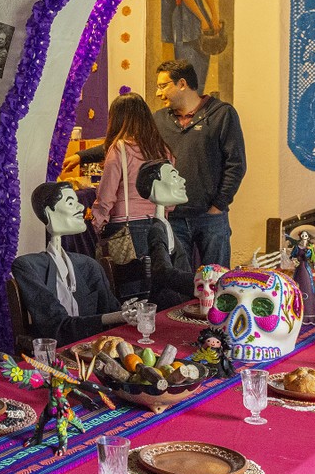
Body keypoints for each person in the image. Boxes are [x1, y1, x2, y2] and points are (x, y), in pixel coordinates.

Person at [153, 59, 245, 267]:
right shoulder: (159, 119)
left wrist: (218, 205)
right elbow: (130, 143)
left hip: (211, 216)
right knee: (179, 283)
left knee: (217, 281)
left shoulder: (222, 114)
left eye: (162, 86)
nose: (158, 93)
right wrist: (81, 156)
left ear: (182, 84)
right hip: (173, 217)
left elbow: (236, 164)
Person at [12, 181, 123, 345]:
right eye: (71, 203)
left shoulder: (89, 265)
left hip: (97, 350)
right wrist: (119, 316)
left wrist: (128, 312)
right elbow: (57, 326)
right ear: (49, 212)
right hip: (57, 357)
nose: (81, 207)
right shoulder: (27, 266)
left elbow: (114, 312)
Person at [89, 92, 172, 300]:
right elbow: (170, 196)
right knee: (156, 289)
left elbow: (106, 195)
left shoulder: (120, 149)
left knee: (131, 295)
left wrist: (98, 223)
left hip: (126, 228)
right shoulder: (162, 150)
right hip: (158, 224)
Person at [136, 157, 197, 308]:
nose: (182, 180)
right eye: (174, 176)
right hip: (168, 305)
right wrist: (197, 282)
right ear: (157, 186)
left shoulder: (164, 224)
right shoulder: (157, 230)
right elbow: (161, 270)